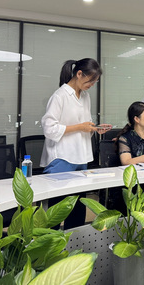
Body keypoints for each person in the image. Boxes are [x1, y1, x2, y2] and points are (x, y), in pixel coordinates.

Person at [41, 58, 112, 228]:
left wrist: (94, 128)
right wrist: (80, 127)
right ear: (79, 74)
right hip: (62, 158)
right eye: (90, 81)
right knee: (57, 212)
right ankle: (51, 244)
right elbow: (49, 128)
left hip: (81, 156)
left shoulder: (85, 96)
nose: (91, 85)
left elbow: (83, 124)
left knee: (78, 209)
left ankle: (75, 243)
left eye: (95, 82)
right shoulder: (60, 96)